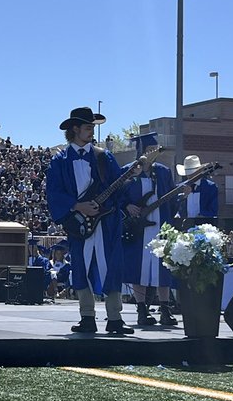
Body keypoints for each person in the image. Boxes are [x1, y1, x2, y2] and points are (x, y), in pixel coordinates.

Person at [45, 106, 134, 335]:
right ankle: (87, 317)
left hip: (106, 222)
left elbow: (118, 188)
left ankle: (115, 318)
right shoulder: (59, 161)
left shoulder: (104, 157)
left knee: (112, 266)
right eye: (88, 127)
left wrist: (128, 182)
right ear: (75, 129)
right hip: (79, 222)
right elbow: (54, 192)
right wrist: (76, 205)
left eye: (92, 127)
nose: (92, 131)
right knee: (81, 267)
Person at [120, 133, 178, 328]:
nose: (153, 153)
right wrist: (127, 206)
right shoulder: (128, 172)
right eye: (149, 150)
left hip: (160, 224)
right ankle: (142, 309)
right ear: (142, 152)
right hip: (138, 227)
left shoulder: (163, 172)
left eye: (155, 150)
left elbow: (172, 200)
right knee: (139, 267)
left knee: (163, 266)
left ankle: (164, 309)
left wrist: (181, 198)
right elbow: (117, 197)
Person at [176, 154, 219, 228]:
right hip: (183, 227)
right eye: (188, 174)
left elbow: (213, 210)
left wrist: (201, 217)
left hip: (203, 227)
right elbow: (175, 208)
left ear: (199, 171)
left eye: (192, 173)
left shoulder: (210, 187)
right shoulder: (179, 187)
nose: (189, 176)